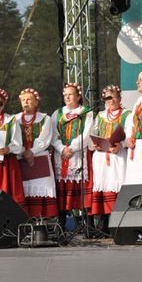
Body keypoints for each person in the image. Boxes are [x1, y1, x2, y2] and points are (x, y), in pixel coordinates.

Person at [51, 83, 94, 230]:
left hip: (79, 155)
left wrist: (73, 148)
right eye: (65, 95)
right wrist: (62, 148)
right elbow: (53, 135)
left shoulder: (86, 113)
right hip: (61, 156)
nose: (67, 97)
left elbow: (86, 134)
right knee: (62, 192)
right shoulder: (57, 113)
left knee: (82, 190)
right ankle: (61, 226)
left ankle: (88, 226)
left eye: (70, 94)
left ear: (78, 96)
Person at [89, 85, 131, 235]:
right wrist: (94, 144)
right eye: (108, 98)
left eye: (113, 97)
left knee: (117, 187)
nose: (111, 100)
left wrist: (121, 145)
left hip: (117, 158)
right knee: (103, 187)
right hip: (101, 157)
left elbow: (131, 136)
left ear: (119, 98)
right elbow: (93, 135)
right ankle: (103, 225)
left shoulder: (127, 115)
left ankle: (119, 225)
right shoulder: (100, 116)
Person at [15, 88, 57, 218]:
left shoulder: (45, 118)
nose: (25, 102)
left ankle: (43, 221)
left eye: (29, 99)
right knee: (24, 189)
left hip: (39, 158)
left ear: (36, 102)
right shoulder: (14, 119)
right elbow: (14, 139)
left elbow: (44, 139)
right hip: (21, 158)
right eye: (23, 100)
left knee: (41, 188)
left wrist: (31, 151)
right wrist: (23, 151)